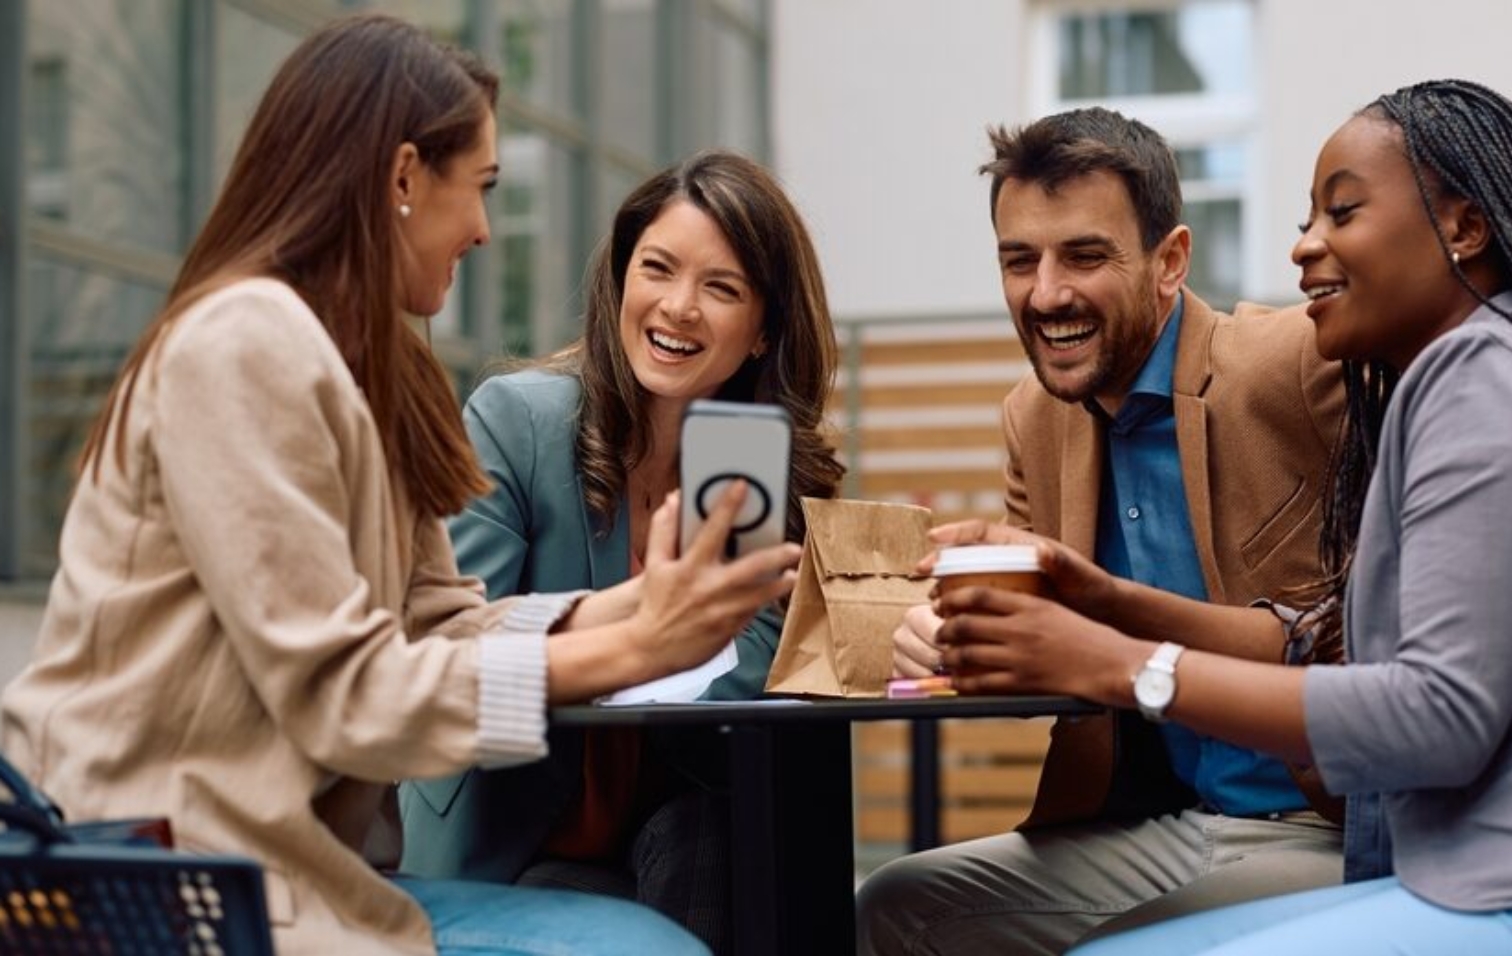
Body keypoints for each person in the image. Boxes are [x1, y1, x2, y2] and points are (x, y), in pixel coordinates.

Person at [0, 15, 801, 956]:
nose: (484, 229)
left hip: (307, 872)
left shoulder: (378, 370)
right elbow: (344, 690)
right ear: (404, 178)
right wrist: (637, 649)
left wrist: (633, 606)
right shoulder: (245, 345)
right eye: (482, 188)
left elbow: (437, 619)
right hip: (172, 876)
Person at [927, 80, 1512, 956]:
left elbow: (1438, 716)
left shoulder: (1488, 378)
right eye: (1308, 217)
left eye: (1342, 213)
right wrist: (1101, 597)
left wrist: (1122, 664)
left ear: (1464, 228)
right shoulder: (1482, 371)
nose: (1304, 247)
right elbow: (1321, 640)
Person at [857, 107, 1348, 955]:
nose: (1047, 294)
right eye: (1020, 261)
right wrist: (943, 636)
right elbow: (1048, 636)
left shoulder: (1297, 363)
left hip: (1328, 819)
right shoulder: (1033, 419)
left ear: (1170, 261)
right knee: (893, 902)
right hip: (1162, 820)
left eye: (1084, 256)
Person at [398, 149, 842, 954]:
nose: (678, 308)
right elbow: (458, 638)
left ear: (763, 330)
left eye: (722, 287)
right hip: (516, 829)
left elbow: (756, 666)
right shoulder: (518, 424)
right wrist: (653, 637)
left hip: (674, 813)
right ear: (620, 282)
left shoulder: (768, 467)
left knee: (731, 842)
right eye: (657, 270)